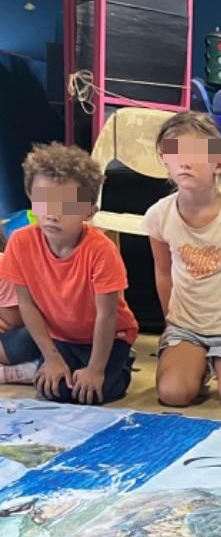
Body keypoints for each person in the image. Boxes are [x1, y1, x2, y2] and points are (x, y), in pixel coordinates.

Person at [142, 111, 221, 413]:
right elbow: (163, 270)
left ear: (219, 165)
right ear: (164, 160)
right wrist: (171, 321)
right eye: (175, 154)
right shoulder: (159, 215)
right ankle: (194, 363)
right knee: (173, 393)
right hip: (186, 326)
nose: (184, 163)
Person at [0, 143, 137, 403]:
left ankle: (122, 363)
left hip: (109, 335)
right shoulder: (20, 242)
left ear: (90, 211)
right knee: (54, 389)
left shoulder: (101, 250)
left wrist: (96, 369)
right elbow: (26, 304)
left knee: (92, 392)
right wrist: (52, 357)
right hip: (60, 335)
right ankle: (40, 365)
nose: (53, 214)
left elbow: (107, 315)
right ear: (30, 196)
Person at [0, 226, 41, 385]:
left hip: (19, 335)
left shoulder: (2, 264)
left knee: (33, 336)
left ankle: (27, 370)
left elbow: (14, 321)